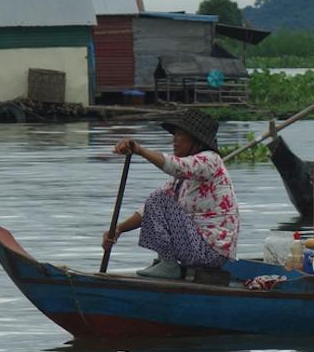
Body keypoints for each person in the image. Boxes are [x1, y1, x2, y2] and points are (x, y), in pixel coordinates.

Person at [102, 108, 240, 280]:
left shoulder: (210, 160)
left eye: (180, 135)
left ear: (196, 141)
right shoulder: (180, 179)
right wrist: (118, 229)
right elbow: (150, 210)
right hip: (196, 245)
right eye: (174, 135)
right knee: (159, 198)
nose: (174, 140)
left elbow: (177, 167)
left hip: (211, 251)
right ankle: (165, 261)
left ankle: (168, 263)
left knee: (159, 198)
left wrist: (140, 150)